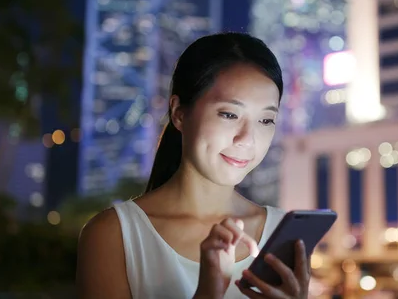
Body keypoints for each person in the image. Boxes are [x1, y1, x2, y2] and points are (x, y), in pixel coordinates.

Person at [76, 33, 311, 299]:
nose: (247, 139)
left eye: (266, 120)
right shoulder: (113, 235)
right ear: (179, 113)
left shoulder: (280, 236)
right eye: (229, 114)